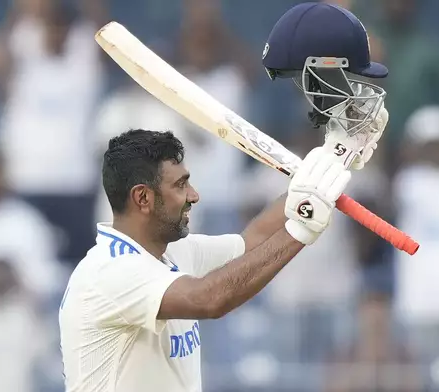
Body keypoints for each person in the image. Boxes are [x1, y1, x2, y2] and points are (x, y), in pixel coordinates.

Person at [58, 3, 389, 391]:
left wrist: (333, 161)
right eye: (180, 186)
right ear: (142, 198)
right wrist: (301, 227)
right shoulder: (109, 274)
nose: (194, 195)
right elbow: (209, 300)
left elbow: (252, 241)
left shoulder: (170, 255)